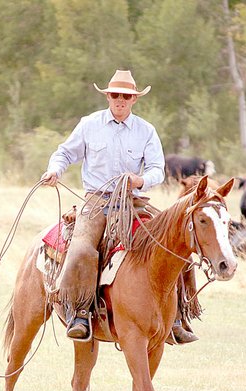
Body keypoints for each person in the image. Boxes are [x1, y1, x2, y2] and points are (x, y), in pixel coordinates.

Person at [41, 69, 198, 344]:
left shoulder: (146, 131)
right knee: (81, 247)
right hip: (96, 199)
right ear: (108, 97)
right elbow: (65, 152)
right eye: (115, 95)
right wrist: (55, 169)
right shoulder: (90, 124)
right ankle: (79, 312)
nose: (120, 100)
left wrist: (140, 179)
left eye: (126, 96)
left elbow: (157, 170)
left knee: (177, 240)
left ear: (134, 99)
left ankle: (178, 314)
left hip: (132, 201)